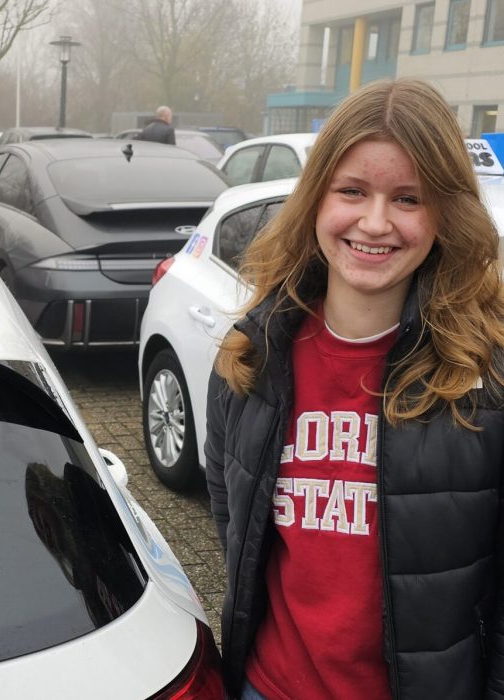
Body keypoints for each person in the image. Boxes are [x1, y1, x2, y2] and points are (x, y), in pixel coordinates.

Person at [204, 77, 504, 700]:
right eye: (352, 191)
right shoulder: (251, 354)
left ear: (446, 213)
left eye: (408, 198)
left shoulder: (487, 380)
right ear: (316, 199)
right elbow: (231, 511)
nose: (375, 222)